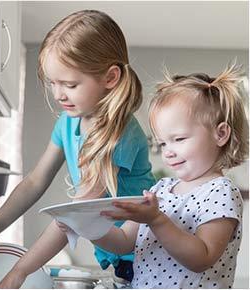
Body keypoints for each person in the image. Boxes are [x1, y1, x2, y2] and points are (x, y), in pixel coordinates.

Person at [0, 10, 155, 288]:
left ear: (110, 77)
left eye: (70, 84)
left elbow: (74, 216)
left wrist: (19, 272)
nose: (58, 94)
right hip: (123, 259)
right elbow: (34, 181)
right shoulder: (68, 123)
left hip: (151, 256)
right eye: (52, 83)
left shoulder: (120, 133)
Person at [84, 63, 249, 288]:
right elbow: (123, 242)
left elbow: (202, 257)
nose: (168, 151)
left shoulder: (221, 191)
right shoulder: (160, 189)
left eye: (179, 139)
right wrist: (87, 227)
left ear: (220, 134)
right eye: (162, 143)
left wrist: (156, 220)